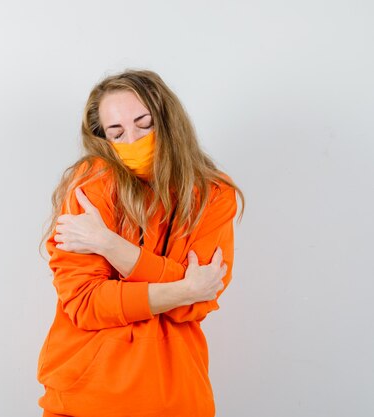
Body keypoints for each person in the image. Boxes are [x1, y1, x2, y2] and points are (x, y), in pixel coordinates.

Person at [36, 69, 245, 417]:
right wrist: (183, 287)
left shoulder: (214, 194)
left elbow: (200, 301)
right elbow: (86, 303)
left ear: (168, 120)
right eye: (116, 132)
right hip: (83, 401)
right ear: (103, 138)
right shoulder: (92, 186)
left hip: (176, 400)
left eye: (144, 123)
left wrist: (111, 245)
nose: (132, 139)